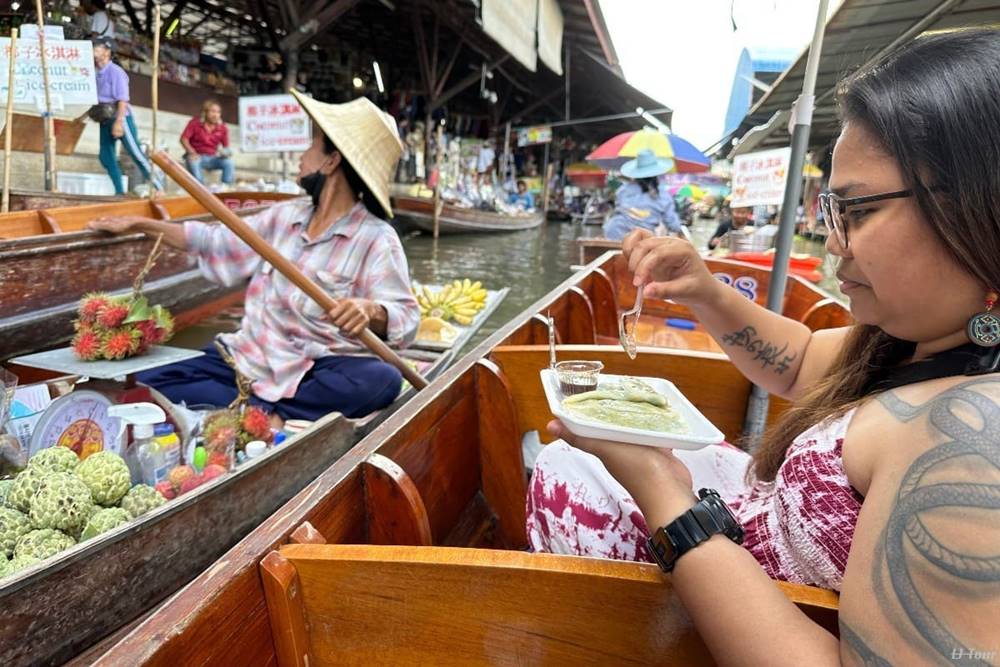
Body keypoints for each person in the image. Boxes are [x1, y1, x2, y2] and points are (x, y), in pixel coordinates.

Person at [528, 29, 999, 664]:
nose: (833, 241)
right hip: (740, 534)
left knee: (560, 459)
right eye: (831, 209)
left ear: (981, 210)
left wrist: (664, 494)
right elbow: (800, 361)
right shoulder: (915, 338)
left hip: (707, 598)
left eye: (858, 211)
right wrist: (705, 291)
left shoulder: (969, 445)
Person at [89, 93, 420, 421]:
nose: (301, 157)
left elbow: (406, 319)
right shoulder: (285, 216)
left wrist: (371, 311)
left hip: (317, 369)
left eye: (310, 148)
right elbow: (214, 241)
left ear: (331, 162)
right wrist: (142, 224)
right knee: (146, 379)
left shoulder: (376, 238)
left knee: (382, 380)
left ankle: (256, 409)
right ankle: (258, 410)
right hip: (248, 357)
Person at [90, 37, 162, 194]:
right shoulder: (95, 73)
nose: (93, 52)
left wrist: (119, 122)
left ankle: (158, 187)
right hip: (105, 118)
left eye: (97, 49)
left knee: (136, 154)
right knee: (106, 156)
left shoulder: (116, 72)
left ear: (107, 52)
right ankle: (119, 191)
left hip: (120, 117)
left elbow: (122, 99)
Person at [602, 149, 680, 240]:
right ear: (656, 174)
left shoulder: (623, 190)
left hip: (614, 233)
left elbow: (618, 210)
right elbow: (674, 225)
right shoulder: (663, 196)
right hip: (642, 239)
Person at [181, 100, 235, 185]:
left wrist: (225, 153)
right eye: (213, 111)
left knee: (229, 163)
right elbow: (184, 139)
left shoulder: (222, 127)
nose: (215, 115)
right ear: (205, 112)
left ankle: (226, 187)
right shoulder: (195, 123)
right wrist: (192, 152)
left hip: (213, 158)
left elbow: (226, 147)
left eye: (218, 112)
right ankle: (200, 189)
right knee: (194, 162)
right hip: (197, 156)